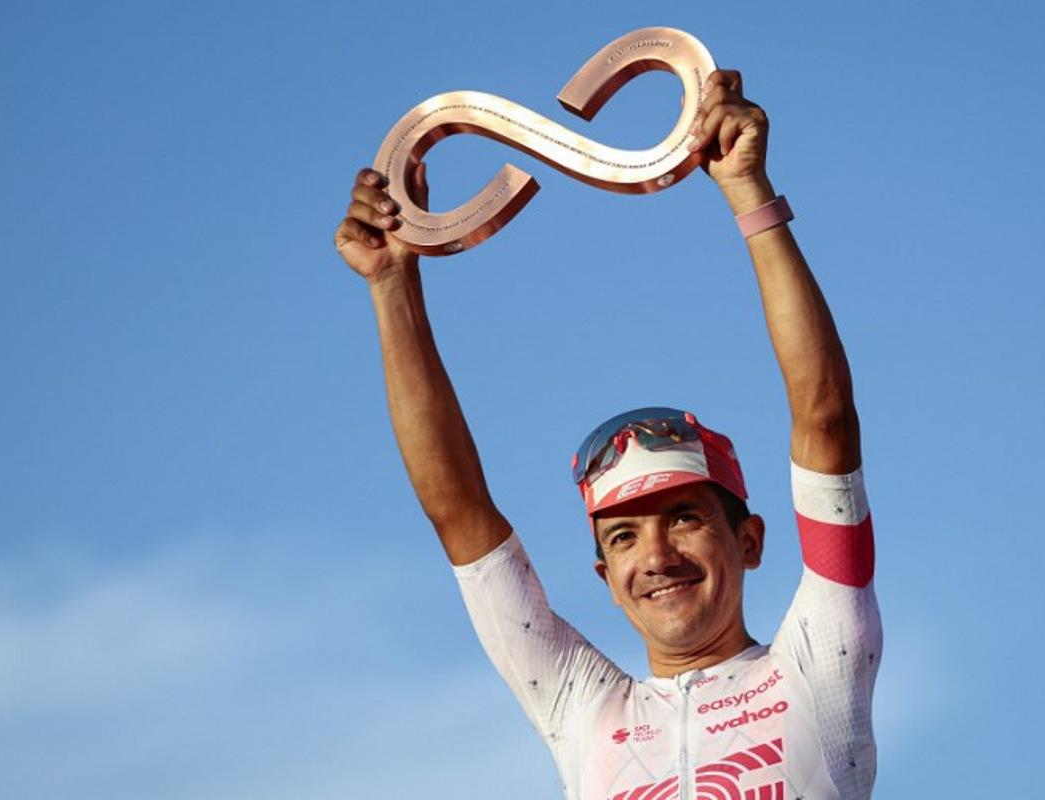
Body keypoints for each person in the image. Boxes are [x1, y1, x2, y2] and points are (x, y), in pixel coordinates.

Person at [334, 69, 881, 800]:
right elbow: (458, 514)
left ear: (748, 541)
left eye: (683, 518)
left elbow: (825, 420)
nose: (655, 556)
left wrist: (749, 193)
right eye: (622, 536)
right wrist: (392, 285)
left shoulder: (821, 662)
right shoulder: (580, 706)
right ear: (605, 580)